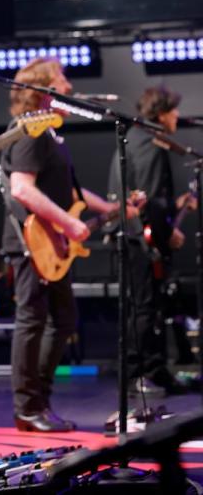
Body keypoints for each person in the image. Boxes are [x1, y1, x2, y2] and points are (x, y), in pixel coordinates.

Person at [1, 57, 138, 433]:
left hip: (53, 241)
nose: (69, 85)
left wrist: (110, 209)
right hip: (33, 242)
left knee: (63, 321)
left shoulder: (49, 133)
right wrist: (67, 223)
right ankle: (27, 407)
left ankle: (39, 403)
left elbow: (69, 193)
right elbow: (21, 188)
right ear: (42, 88)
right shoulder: (30, 130)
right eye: (61, 78)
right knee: (33, 321)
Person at [107, 85, 198, 395]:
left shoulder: (135, 139)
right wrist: (166, 230)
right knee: (144, 309)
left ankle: (153, 370)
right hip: (139, 240)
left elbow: (144, 194)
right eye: (173, 111)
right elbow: (143, 202)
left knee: (148, 308)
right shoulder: (148, 144)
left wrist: (175, 205)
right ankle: (141, 373)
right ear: (161, 114)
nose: (177, 117)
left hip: (135, 236)